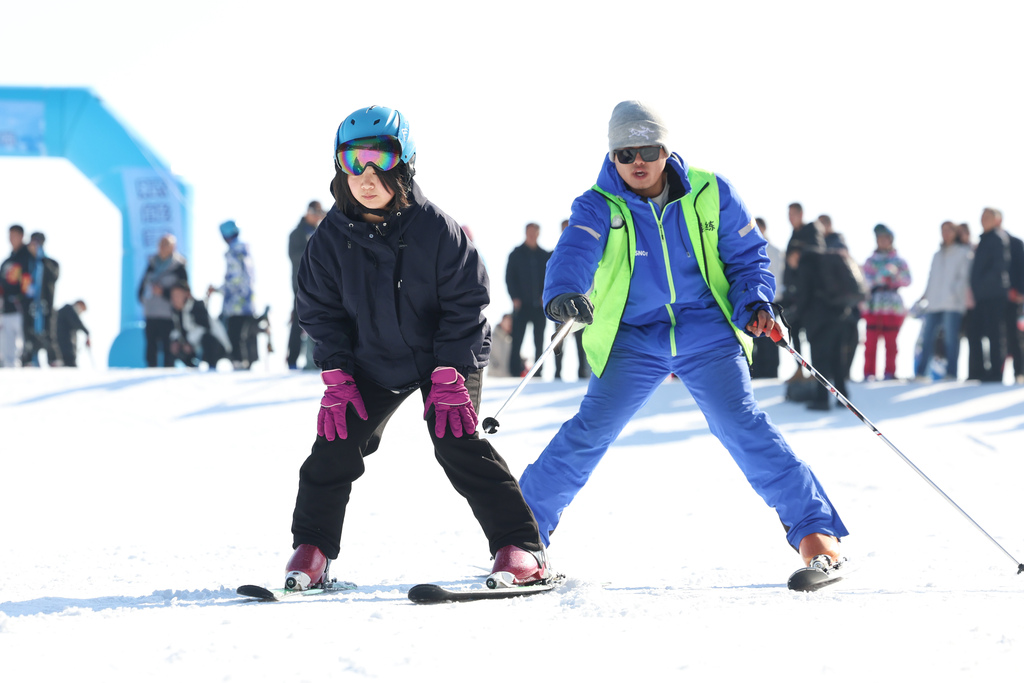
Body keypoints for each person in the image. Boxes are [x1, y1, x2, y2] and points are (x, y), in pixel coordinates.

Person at [518, 100, 847, 572]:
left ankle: (816, 533)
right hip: (634, 337)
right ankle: (521, 534)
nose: (637, 163)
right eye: (624, 153)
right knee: (589, 431)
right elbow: (575, 250)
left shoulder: (711, 191)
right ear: (612, 157)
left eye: (647, 150)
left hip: (706, 331)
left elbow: (747, 257)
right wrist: (564, 292)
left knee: (741, 426)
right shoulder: (598, 203)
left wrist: (755, 302)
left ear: (665, 149)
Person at [283, 105, 548, 591]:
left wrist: (451, 371)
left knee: (456, 440)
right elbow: (320, 311)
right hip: (371, 361)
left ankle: (521, 546)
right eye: (353, 159)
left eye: (380, 158)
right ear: (339, 166)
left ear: (403, 163)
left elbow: (467, 303)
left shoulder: (437, 231)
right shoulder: (327, 242)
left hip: (443, 360)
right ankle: (313, 548)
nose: (366, 174)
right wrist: (338, 374)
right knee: (335, 446)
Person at [914, 222, 973, 380]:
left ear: (955, 233)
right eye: (943, 230)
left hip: (952, 305)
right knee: (927, 338)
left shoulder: (963, 252)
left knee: (951, 340)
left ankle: (951, 373)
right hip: (934, 303)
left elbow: (964, 278)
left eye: (949, 230)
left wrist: (954, 293)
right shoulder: (937, 255)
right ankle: (921, 373)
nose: (945, 234)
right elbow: (931, 278)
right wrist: (925, 295)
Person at [862, 224, 911, 380]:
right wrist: (880, 277)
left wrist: (894, 277)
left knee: (891, 342)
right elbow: (864, 281)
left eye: (885, 238)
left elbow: (908, 280)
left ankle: (890, 372)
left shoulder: (898, 261)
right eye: (879, 239)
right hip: (874, 305)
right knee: (870, 341)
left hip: (892, 306)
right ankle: (869, 373)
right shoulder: (870, 261)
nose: (882, 241)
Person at [967, 208, 1011, 382]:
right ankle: (978, 371)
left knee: (994, 334)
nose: (984, 220)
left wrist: (982, 286)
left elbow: (999, 267)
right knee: (974, 333)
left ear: (997, 220)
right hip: (980, 297)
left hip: (994, 295)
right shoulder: (982, 240)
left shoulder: (998, 238)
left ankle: (995, 373)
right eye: (982, 216)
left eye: (988, 217)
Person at [210, 220, 257, 370]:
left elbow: (234, 280)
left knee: (234, 336)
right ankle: (245, 363)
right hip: (248, 301)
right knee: (244, 335)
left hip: (236, 304)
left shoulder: (233, 251)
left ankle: (239, 364)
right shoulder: (245, 250)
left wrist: (218, 290)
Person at [505, 222, 551, 377]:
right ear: (525, 233)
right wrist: (514, 297)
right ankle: (514, 371)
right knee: (517, 339)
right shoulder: (516, 254)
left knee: (539, 340)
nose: (532, 235)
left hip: (539, 306)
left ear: (538, 234)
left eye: (534, 232)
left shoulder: (544, 255)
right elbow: (509, 278)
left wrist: (545, 296)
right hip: (521, 305)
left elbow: (550, 278)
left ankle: (538, 372)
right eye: (529, 232)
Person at [137, 234, 188, 367]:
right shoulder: (152, 264)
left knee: (168, 347)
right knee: (150, 346)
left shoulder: (179, 267)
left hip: (169, 314)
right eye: (160, 244)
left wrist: (164, 292)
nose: (162, 247)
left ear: (173, 247)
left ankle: (167, 376)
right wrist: (143, 298)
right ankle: (149, 373)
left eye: (166, 244)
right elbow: (142, 286)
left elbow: (184, 293)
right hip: (151, 312)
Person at [287, 201, 325, 370]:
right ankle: (292, 360)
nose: (317, 215)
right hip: (301, 283)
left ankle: (315, 359)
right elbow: (295, 256)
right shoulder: (297, 233)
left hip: (318, 284)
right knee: (299, 321)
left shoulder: (320, 231)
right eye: (315, 212)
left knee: (319, 320)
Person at [553, 219, 591, 380]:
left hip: (582, 301)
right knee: (559, 338)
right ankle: (557, 372)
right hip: (561, 302)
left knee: (582, 339)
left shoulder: (585, 251)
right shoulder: (555, 252)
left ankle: (583, 371)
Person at [168, 281, 231, 369]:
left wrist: (189, 342)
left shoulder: (197, 306)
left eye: (178, 295)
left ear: (186, 294)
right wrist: (176, 341)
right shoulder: (176, 312)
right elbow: (176, 330)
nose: (175, 299)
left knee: (207, 339)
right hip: (194, 347)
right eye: (173, 296)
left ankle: (211, 368)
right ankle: (191, 368)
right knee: (175, 346)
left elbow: (205, 329)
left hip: (215, 346)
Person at [749, 217, 783, 379]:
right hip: (755, 301)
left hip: (771, 301)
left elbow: (778, 277)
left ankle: (770, 373)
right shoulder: (749, 249)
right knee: (756, 337)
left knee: (769, 337)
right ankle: (757, 371)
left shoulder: (773, 251)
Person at [23, 232, 60, 366]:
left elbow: (53, 277)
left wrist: (42, 259)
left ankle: (53, 361)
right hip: (29, 307)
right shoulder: (26, 263)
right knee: (29, 336)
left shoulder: (51, 262)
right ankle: (29, 361)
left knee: (48, 335)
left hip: (46, 306)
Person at [1, 225, 35, 368]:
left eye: (14, 235)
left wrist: (24, 298)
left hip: (24, 309)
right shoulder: (7, 261)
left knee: (24, 346)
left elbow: (31, 282)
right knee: (6, 347)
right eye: (10, 235)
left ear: (21, 236)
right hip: (6, 310)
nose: (11, 238)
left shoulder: (30, 257)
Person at [1004, 225, 1024, 383]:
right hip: (1000, 299)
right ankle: (1003, 372)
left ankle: (1020, 372)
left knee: (1016, 337)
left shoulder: (1015, 243)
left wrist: (1020, 292)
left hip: (1016, 299)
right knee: (1004, 337)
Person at [55, 300, 90, 367]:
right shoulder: (68, 309)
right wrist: (87, 332)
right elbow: (77, 323)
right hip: (64, 348)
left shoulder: (66, 311)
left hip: (64, 348)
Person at [487, 313, 516, 378]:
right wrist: (493, 363)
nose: (509, 324)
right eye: (507, 322)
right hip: (493, 377)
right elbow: (485, 353)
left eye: (510, 323)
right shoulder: (492, 337)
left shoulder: (510, 340)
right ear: (502, 322)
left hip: (507, 377)